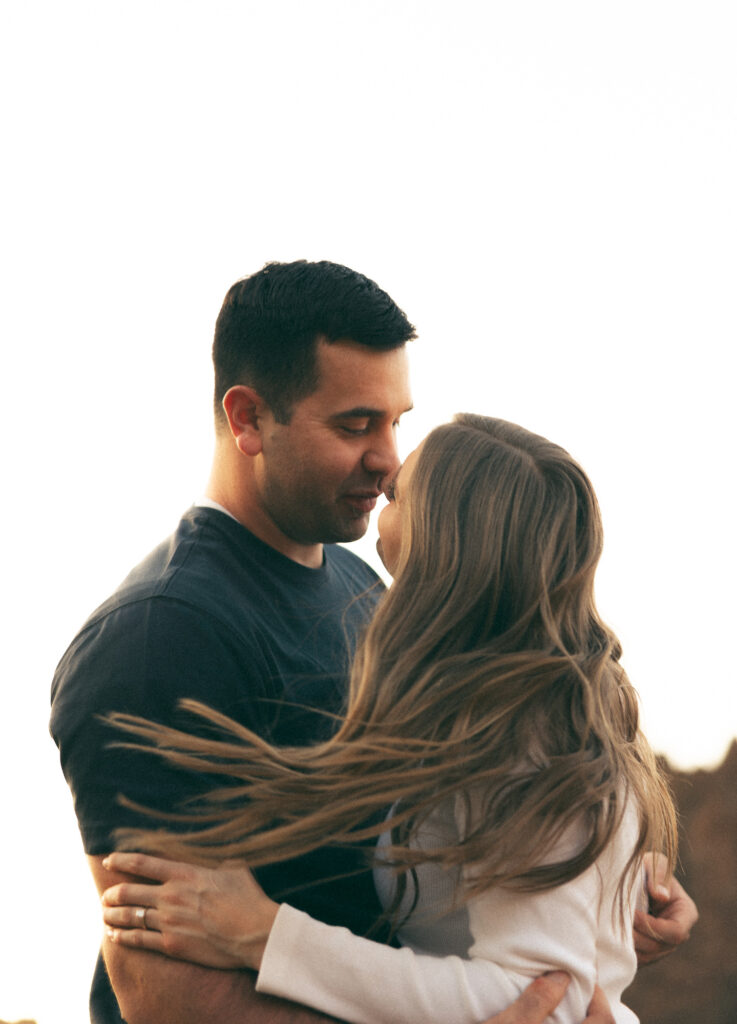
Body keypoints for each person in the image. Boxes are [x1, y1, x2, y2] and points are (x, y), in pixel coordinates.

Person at [51, 261, 694, 1024]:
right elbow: (168, 995)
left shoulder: (373, 597)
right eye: (355, 425)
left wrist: (596, 894)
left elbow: (466, 857)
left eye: (396, 421)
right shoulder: (161, 635)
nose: (388, 457)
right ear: (249, 418)